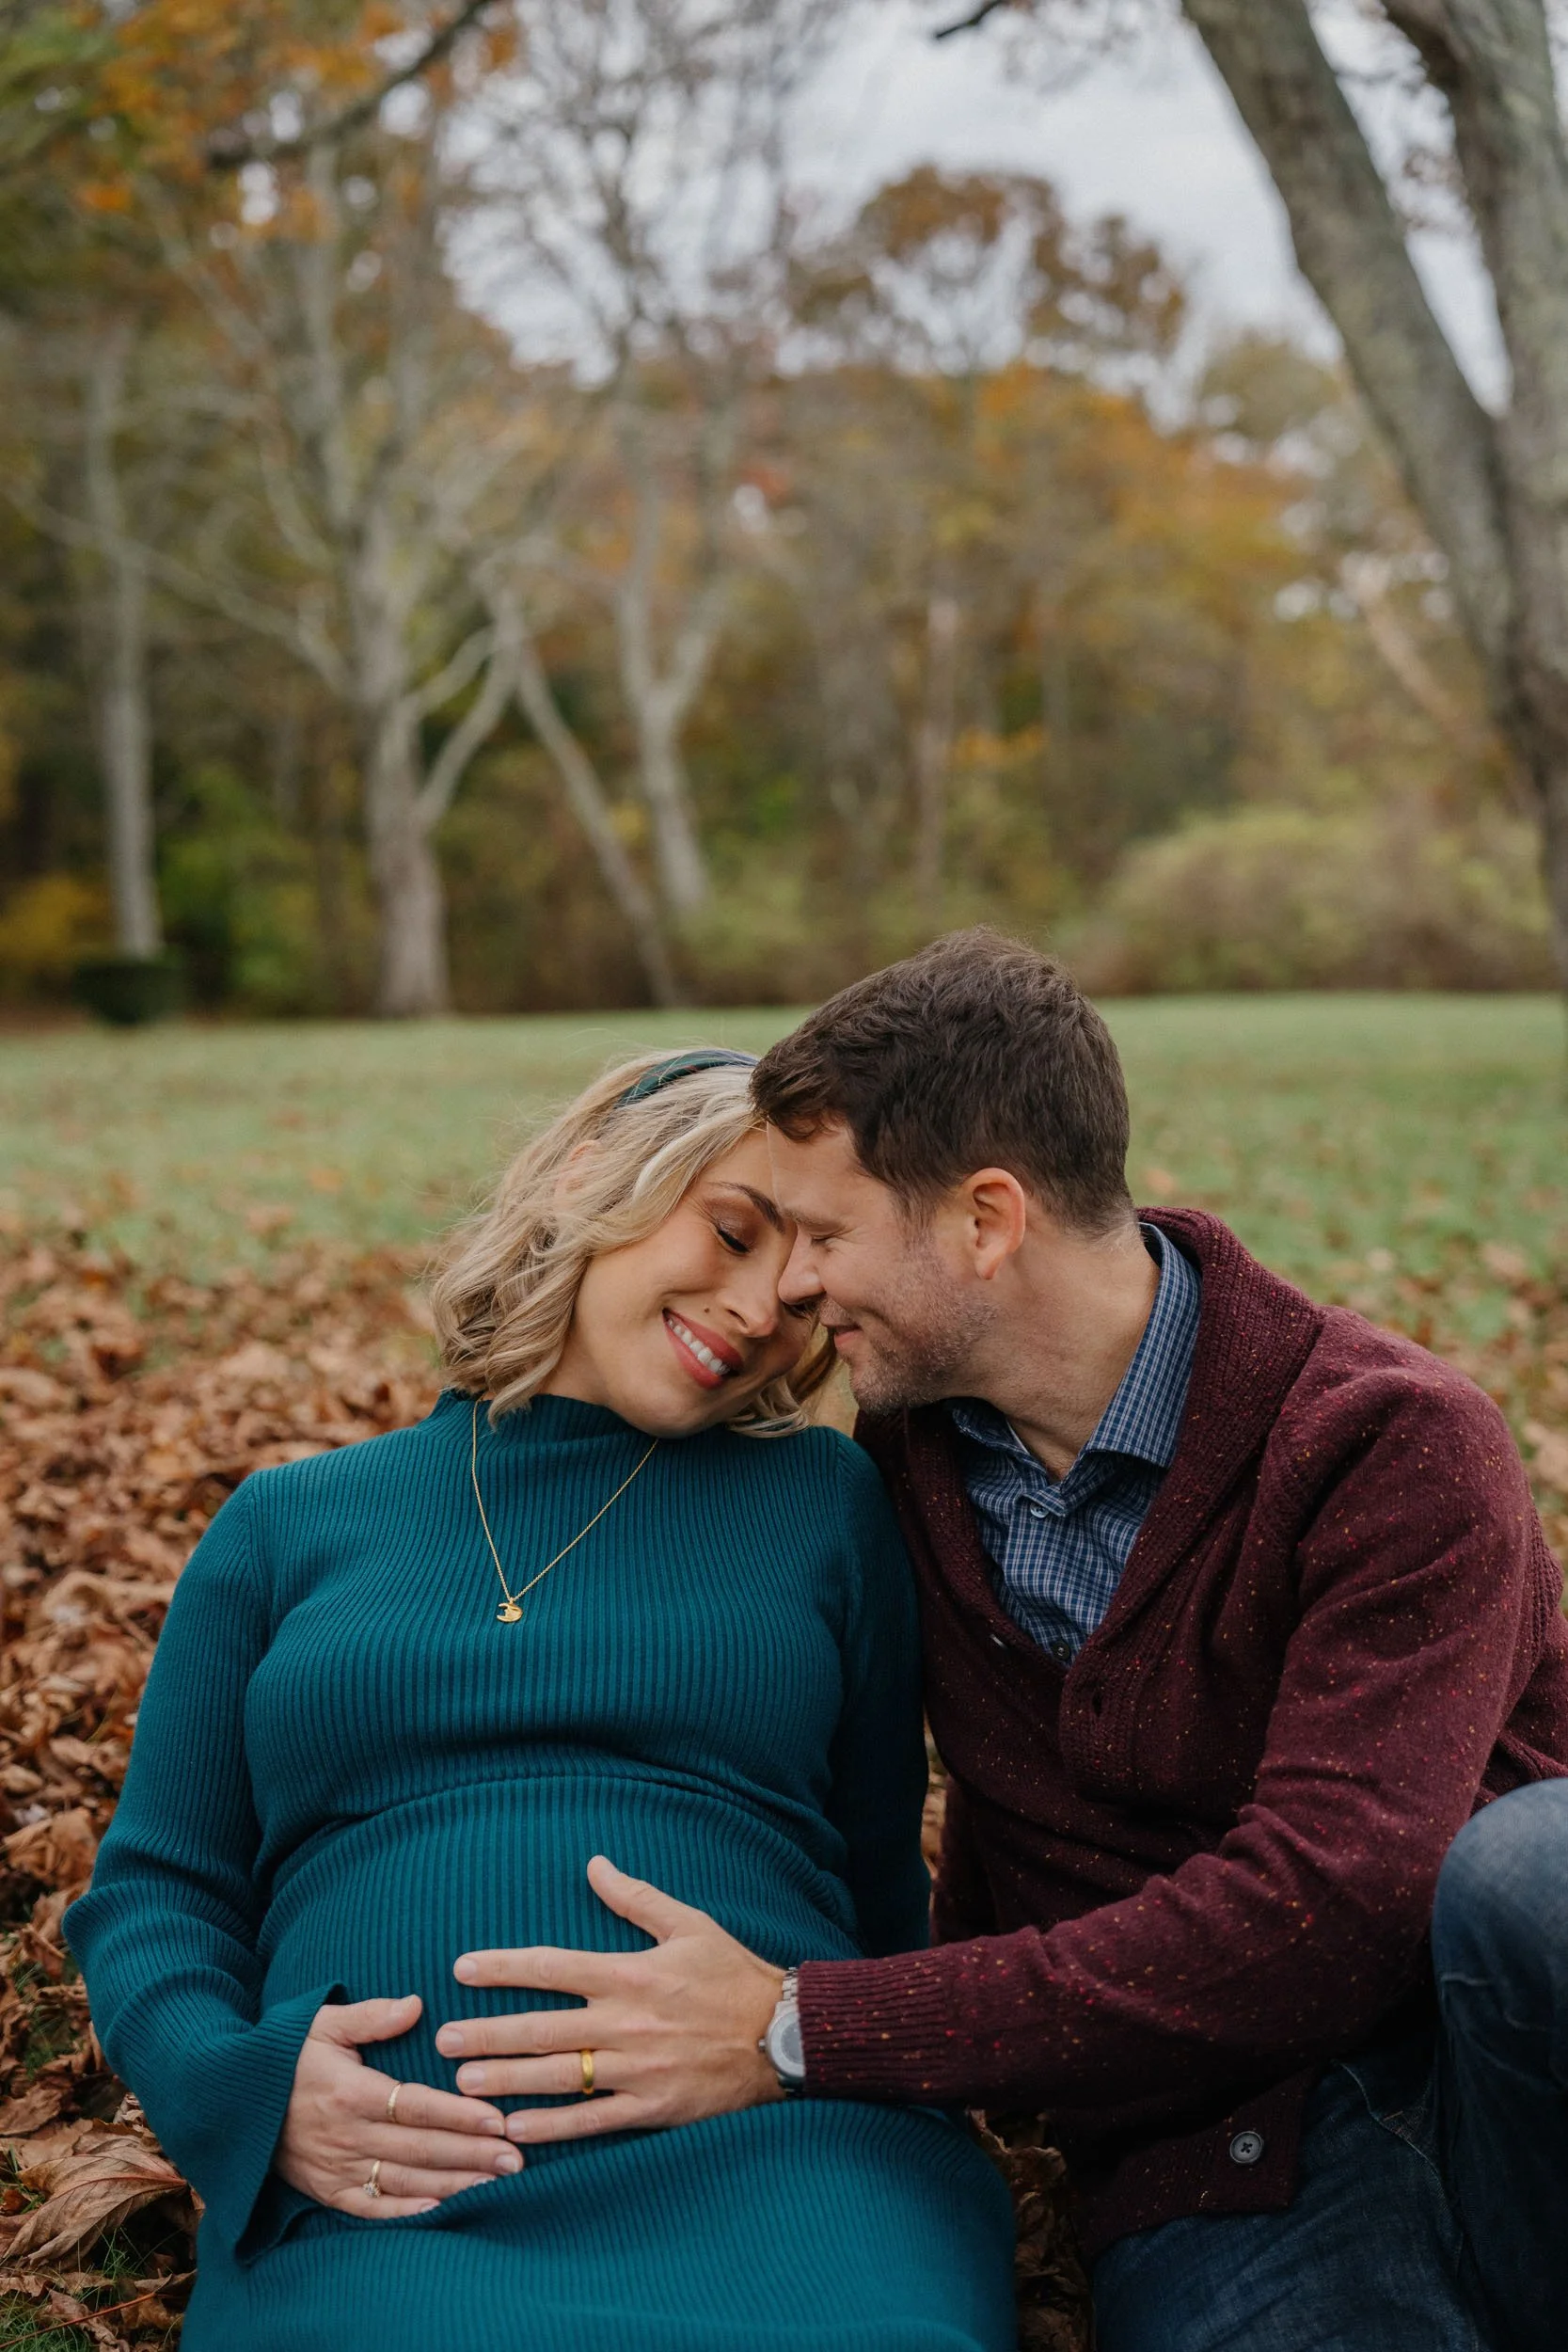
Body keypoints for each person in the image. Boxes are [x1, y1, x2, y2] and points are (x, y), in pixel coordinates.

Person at [461, 935, 1568, 2352]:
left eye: (824, 1232)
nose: (791, 1288)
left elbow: (1334, 1905)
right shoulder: (895, 1478)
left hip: (1497, 2070)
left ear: (985, 1220)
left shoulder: (1383, 1444)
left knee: (1536, 1873)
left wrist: (803, 2025)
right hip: (1218, 2173)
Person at [64, 1048, 1018, 2352]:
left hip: (771, 2153)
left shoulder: (824, 1505)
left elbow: (871, 1896)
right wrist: (246, 2090)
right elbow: (157, 1890)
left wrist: (813, 2047)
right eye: (729, 1234)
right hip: (395, 2181)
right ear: (592, 1180)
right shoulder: (289, 1525)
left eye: (800, 1295)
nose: (752, 1313)